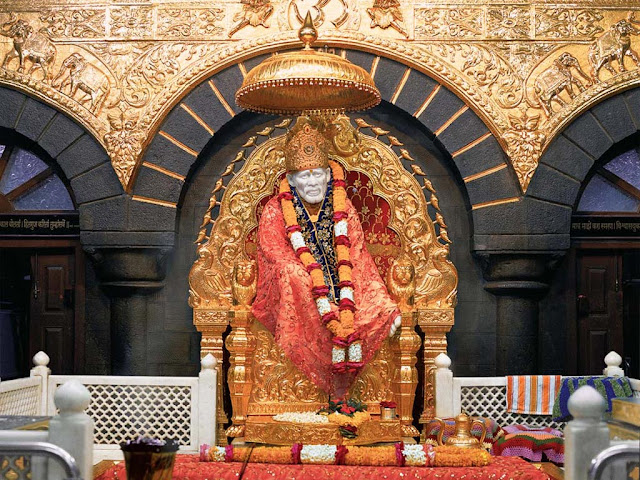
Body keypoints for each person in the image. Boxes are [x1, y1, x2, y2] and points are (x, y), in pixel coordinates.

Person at [251, 118, 401, 395]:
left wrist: (382, 301)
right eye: (304, 176)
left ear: (329, 175)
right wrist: (308, 279)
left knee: (379, 309)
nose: (312, 182)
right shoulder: (276, 209)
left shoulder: (343, 207)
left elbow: (357, 254)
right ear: (291, 180)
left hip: (347, 291)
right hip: (298, 290)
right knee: (291, 273)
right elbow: (274, 252)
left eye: (317, 174)